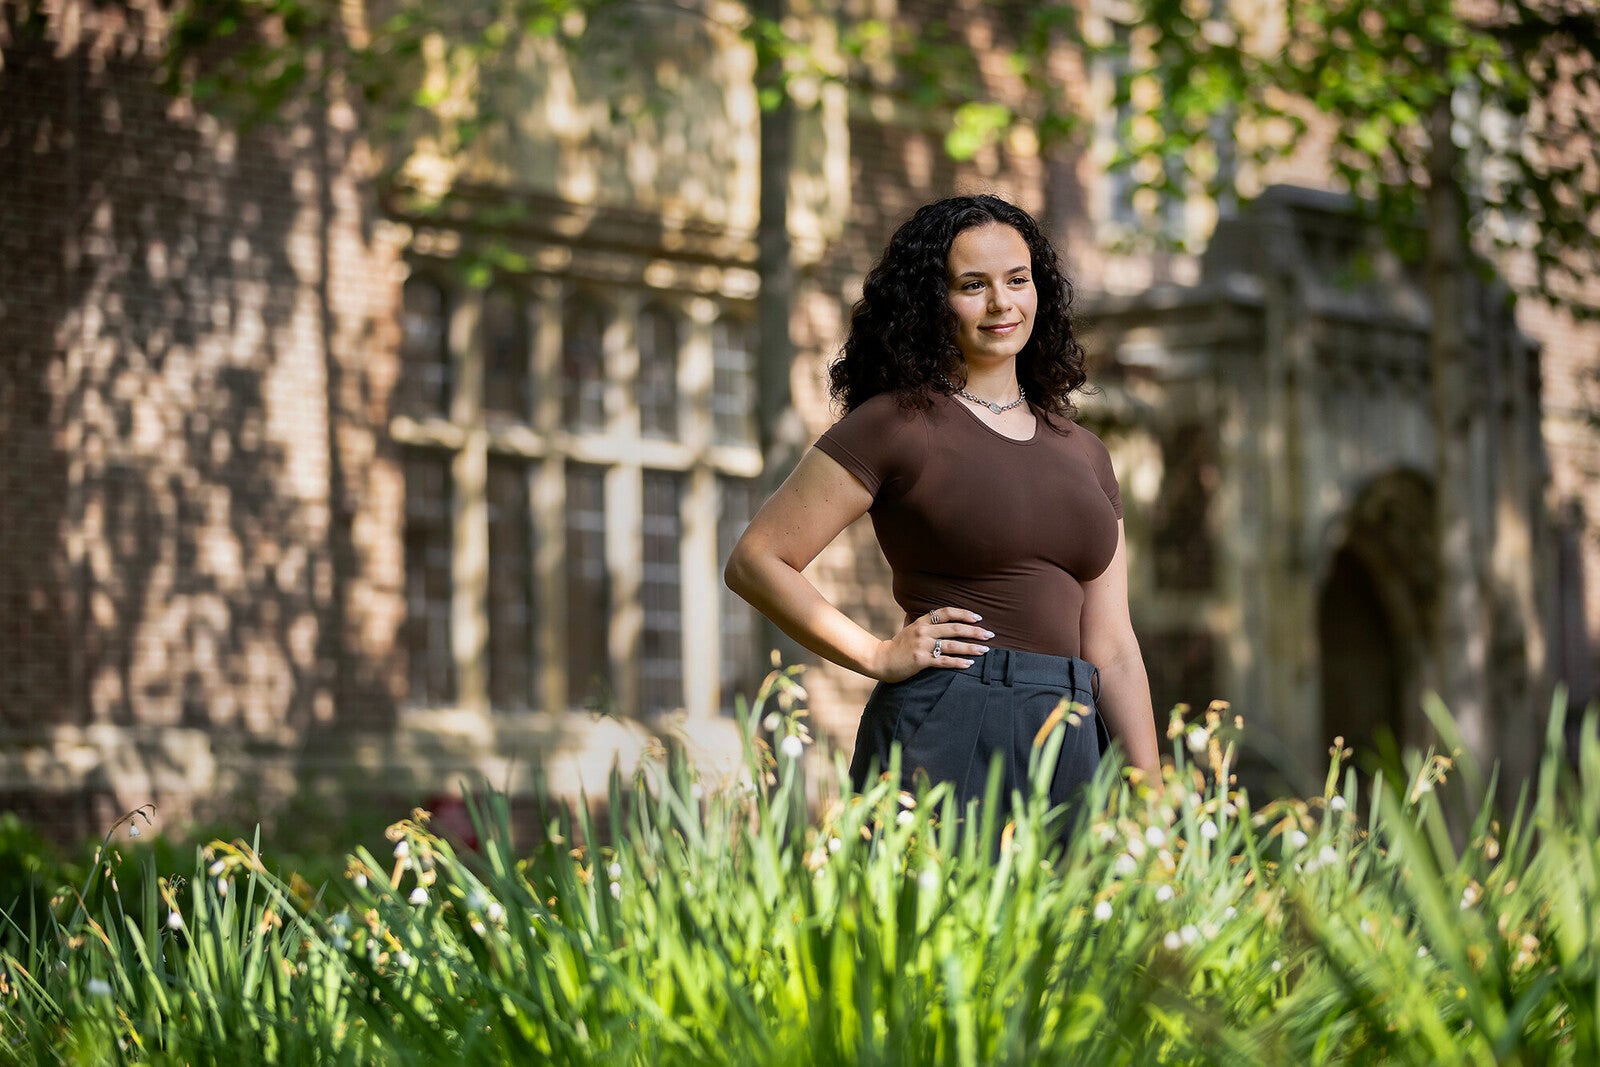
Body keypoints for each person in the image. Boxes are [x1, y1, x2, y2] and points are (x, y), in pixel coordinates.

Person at [724, 194, 1160, 824]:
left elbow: (1113, 643)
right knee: (939, 920)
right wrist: (875, 654)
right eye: (972, 285)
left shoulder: (1086, 453)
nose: (1001, 304)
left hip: (1072, 730)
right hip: (951, 716)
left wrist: (1151, 790)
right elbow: (756, 561)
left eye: (1017, 280)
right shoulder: (898, 424)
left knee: (1071, 925)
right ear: (932, 300)